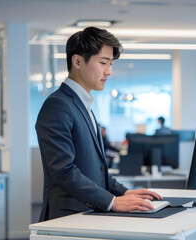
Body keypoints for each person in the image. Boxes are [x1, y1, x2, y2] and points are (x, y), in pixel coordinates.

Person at [35, 27, 161, 221]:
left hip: (88, 215)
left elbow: (95, 171)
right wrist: (113, 201)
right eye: (103, 62)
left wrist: (124, 193)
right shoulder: (58, 105)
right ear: (77, 61)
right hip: (69, 219)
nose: (108, 72)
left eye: (110, 64)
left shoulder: (83, 105)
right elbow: (63, 171)